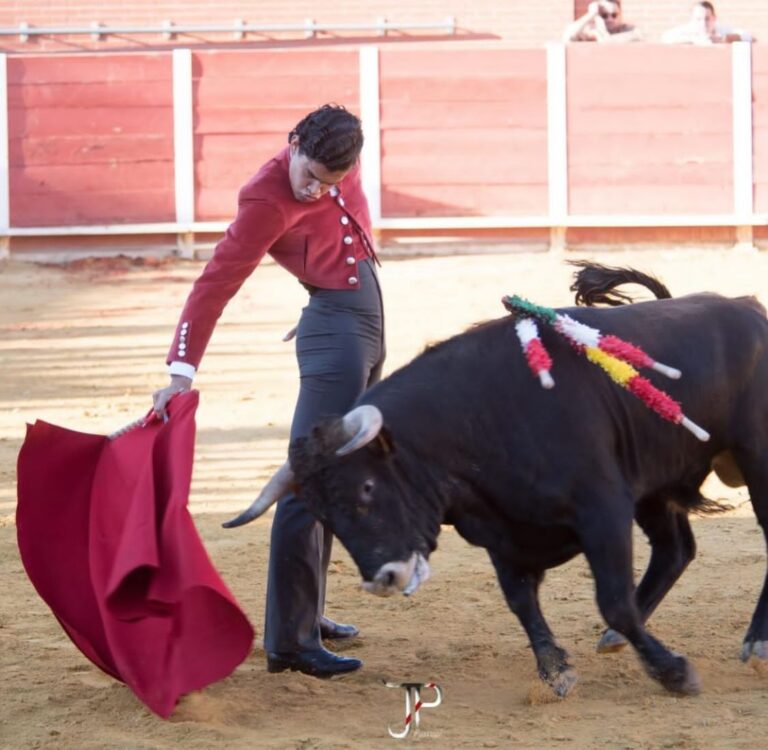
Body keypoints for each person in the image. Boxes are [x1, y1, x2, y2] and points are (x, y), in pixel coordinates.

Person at [152, 104, 385, 678]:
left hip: (360, 327)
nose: (312, 190)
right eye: (307, 174)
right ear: (294, 143)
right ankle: (290, 641)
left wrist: (318, 306)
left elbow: (346, 233)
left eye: (328, 182)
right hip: (341, 333)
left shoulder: (341, 156)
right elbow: (216, 283)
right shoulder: (264, 197)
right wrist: (182, 368)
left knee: (334, 474)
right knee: (308, 475)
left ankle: (309, 612)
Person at [662, 2, 753, 44]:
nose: (703, 23)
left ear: (714, 18)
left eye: (707, 19)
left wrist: (727, 38)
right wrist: (694, 40)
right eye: (698, 19)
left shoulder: (720, 30)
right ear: (692, 19)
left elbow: (748, 36)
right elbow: (666, 38)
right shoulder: (688, 30)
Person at [562, 0, 641, 43]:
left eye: (614, 15)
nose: (610, 19)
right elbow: (568, 36)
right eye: (604, 15)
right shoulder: (591, 31)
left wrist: (600, 36)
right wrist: (591, 14)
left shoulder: (629, 30)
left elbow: (638, 37)